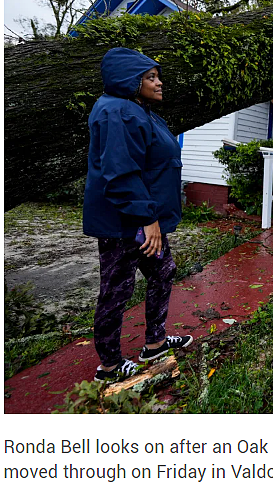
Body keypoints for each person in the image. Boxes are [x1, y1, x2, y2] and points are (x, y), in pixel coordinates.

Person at [83, 47, 192, 382]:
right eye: (151, 77)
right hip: (125, 222)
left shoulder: (137, 109)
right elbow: (120, 173)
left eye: (157, 75)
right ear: (130, 80)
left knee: (163, 270)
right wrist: (148, 219)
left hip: (144, 217)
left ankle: (155, 343)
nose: (159, 83)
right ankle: (110, 367)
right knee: (117, 289)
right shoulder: (117, 112)